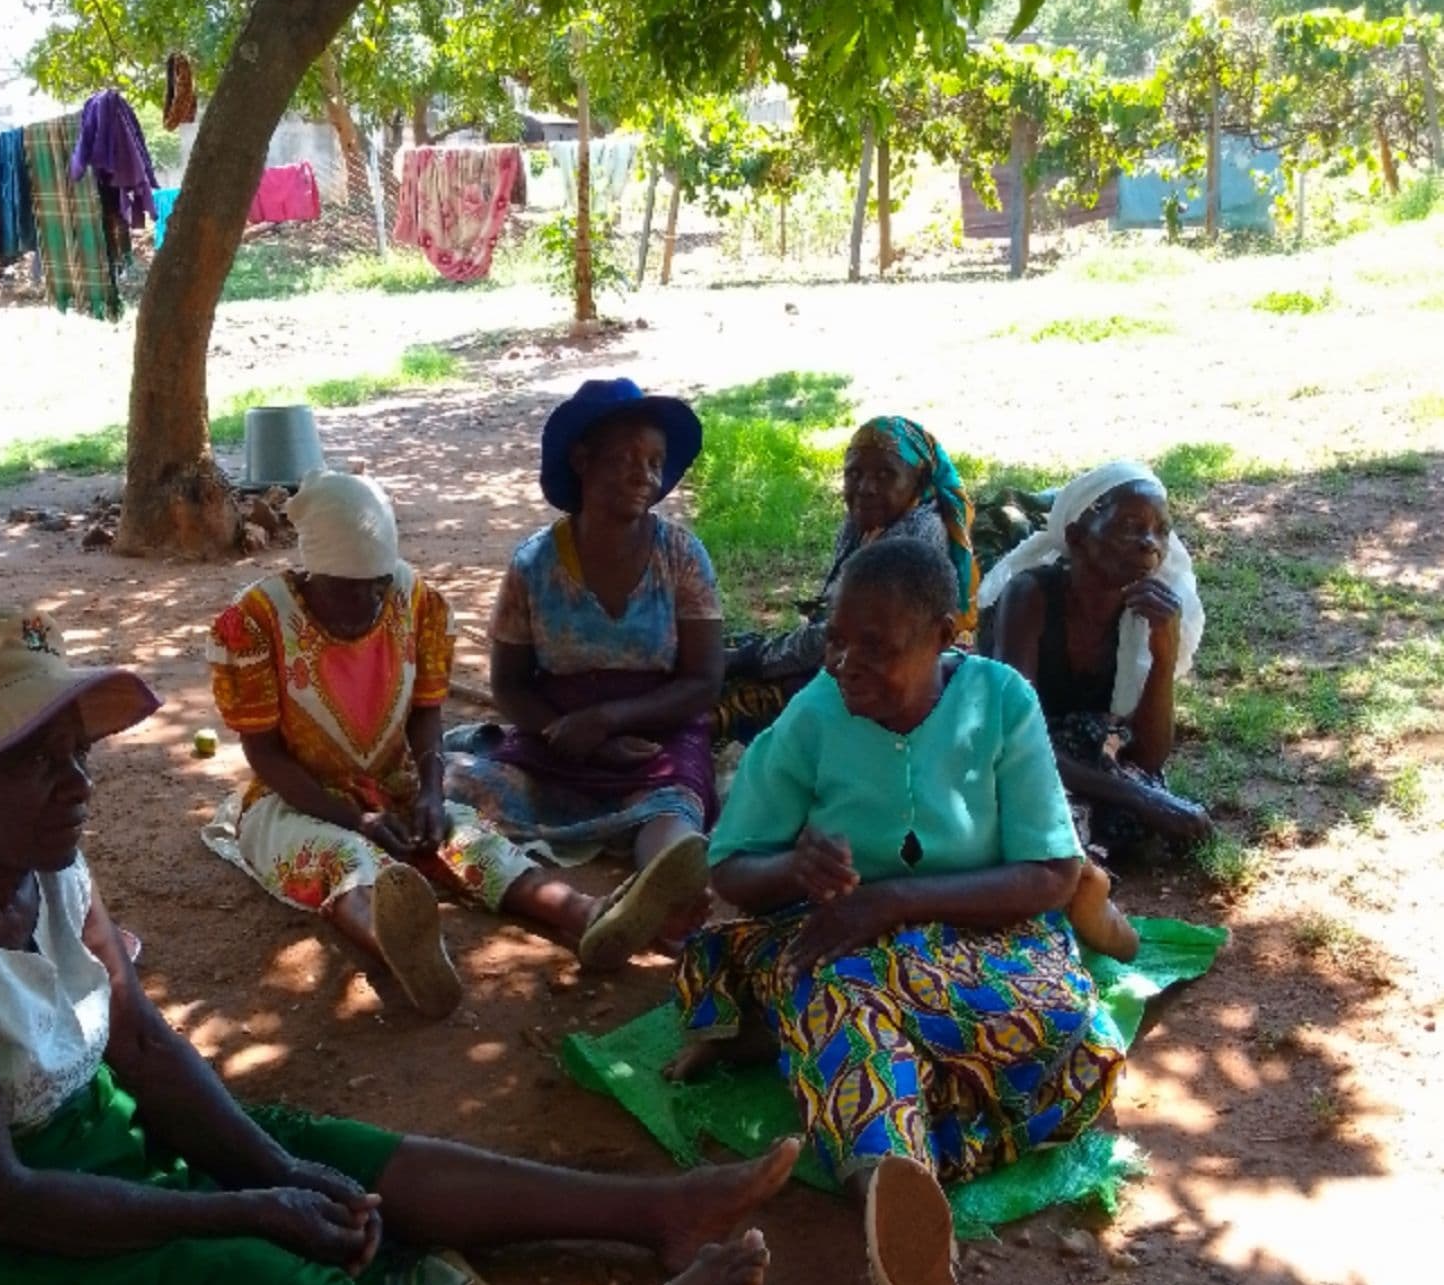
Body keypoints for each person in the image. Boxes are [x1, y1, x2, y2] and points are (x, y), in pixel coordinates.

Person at [0, 606, 785, 1285]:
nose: (77, 782)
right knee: (217, 1272)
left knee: (312, 1145)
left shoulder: (35, 853)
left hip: (65, 1143)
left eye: (72, 748)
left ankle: (655, 1209)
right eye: (34, 760)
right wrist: (245, 1206)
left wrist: (277, 1169)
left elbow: (135, 1039)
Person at [668, 535, 1126, 1285]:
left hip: (981, 937)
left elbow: (1052, 873)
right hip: (839, 943)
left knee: (1060, 1020)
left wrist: (893, 901)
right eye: (837, 637)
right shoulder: (815, 711)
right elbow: (732, 866)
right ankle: (893, 1190)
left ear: (947, 635)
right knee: (829, 986)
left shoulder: (1000, 700)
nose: (846, 662)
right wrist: (793, 867)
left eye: (876, 646)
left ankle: (783, 1050)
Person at [204, 471, 678, 1018]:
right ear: (310, 574)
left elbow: (426, 714)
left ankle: (591, 915)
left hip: (393, 787)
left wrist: (430, 791)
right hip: (295, 799)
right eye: (348, 588)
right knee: (347, 859)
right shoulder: (255, 624)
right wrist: (349, 818)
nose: (369, 601)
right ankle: (402, 948)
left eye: (378, 584)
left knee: (467, 839)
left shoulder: (417, 603)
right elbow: (263, 753)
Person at [445, 378, 723, 959]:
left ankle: (663, 896)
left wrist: (613, 719)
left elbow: (703, 682)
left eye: (654, 462)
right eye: (625, 458)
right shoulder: (535, 564)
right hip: (559, 741)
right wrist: (578, 738)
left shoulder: (681, 555)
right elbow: (510, 686)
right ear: (582, 459)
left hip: (658, 738)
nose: (645, 476)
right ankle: (571, 903)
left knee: (672, 811)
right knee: (447, 793)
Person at [980, 460, 1209, 957]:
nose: (1150, 543)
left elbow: (1148, 757)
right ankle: (1076, 890)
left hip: (1087, 756)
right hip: (1013, 750)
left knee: (1132, 797)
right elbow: (1016, 736)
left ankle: (1078, 878)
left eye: (1159, 532)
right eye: (1130, 527)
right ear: (1078, 534)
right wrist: (1142, 798)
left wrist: (1164, 654)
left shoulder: (1140, 617)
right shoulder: (1033, 596)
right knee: (1026, 807)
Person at [718, 415, 977, 744]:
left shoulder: (916, 540)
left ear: (919, 479)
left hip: (891, 677)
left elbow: (847, 636)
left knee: (753, 693)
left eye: (885, 475)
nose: (866, 488)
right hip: (849, 653)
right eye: (854, 474)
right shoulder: (868, 522)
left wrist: (757, 658)